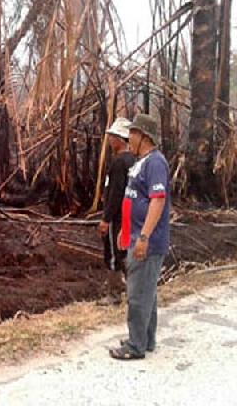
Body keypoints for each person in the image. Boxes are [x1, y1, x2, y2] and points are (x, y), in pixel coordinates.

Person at [110, 114, 170, 360]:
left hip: (147, 240)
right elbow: (134, 197)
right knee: (147, 292)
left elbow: (157, 200)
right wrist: (126, 228)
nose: (129, 138)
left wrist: (143, 237)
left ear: (143, 136)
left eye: (132, 134)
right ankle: (145, 339)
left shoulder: (156, 163)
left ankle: (135, 346)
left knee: (137, 294)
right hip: (135, 234)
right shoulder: (141, 162)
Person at [99, 118, 135, 273]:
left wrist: (106, 219)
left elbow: (116, 193)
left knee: (115, 252)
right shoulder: (135, 159)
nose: (110, 140)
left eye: (113, 137)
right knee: (127, 249)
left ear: (120, 139)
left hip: (118, 217)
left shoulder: (119, 162)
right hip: (132, 216)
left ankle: (117, 290)